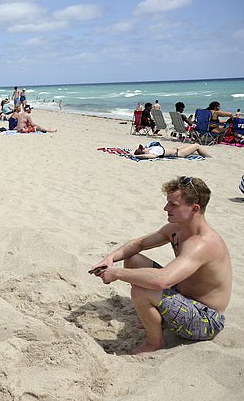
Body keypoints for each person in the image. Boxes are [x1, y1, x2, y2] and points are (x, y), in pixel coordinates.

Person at [91, 176, 231, 355]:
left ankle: (154, 342)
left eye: (173, 205)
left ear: (194, 208)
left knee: (141, 290)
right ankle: (158, 321)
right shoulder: (177, 229)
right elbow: (139, 244)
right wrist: (110, 259)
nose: (166, 208)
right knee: (134, 260)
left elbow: (162, 281)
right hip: (183, 296)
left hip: (205, 319)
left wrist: (117, 273)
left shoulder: (203, 244)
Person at [133, 141, 211, 159]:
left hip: (177, 149)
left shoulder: (149, 149)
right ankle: (209, 157)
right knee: (196, 145)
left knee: (193, 147)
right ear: (143, 152)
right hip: (178, 153)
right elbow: (151, 156)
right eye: (142, 148)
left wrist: (133, 153)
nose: (143, 147)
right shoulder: (152, 152)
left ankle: (202, 154)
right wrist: (137, 156)